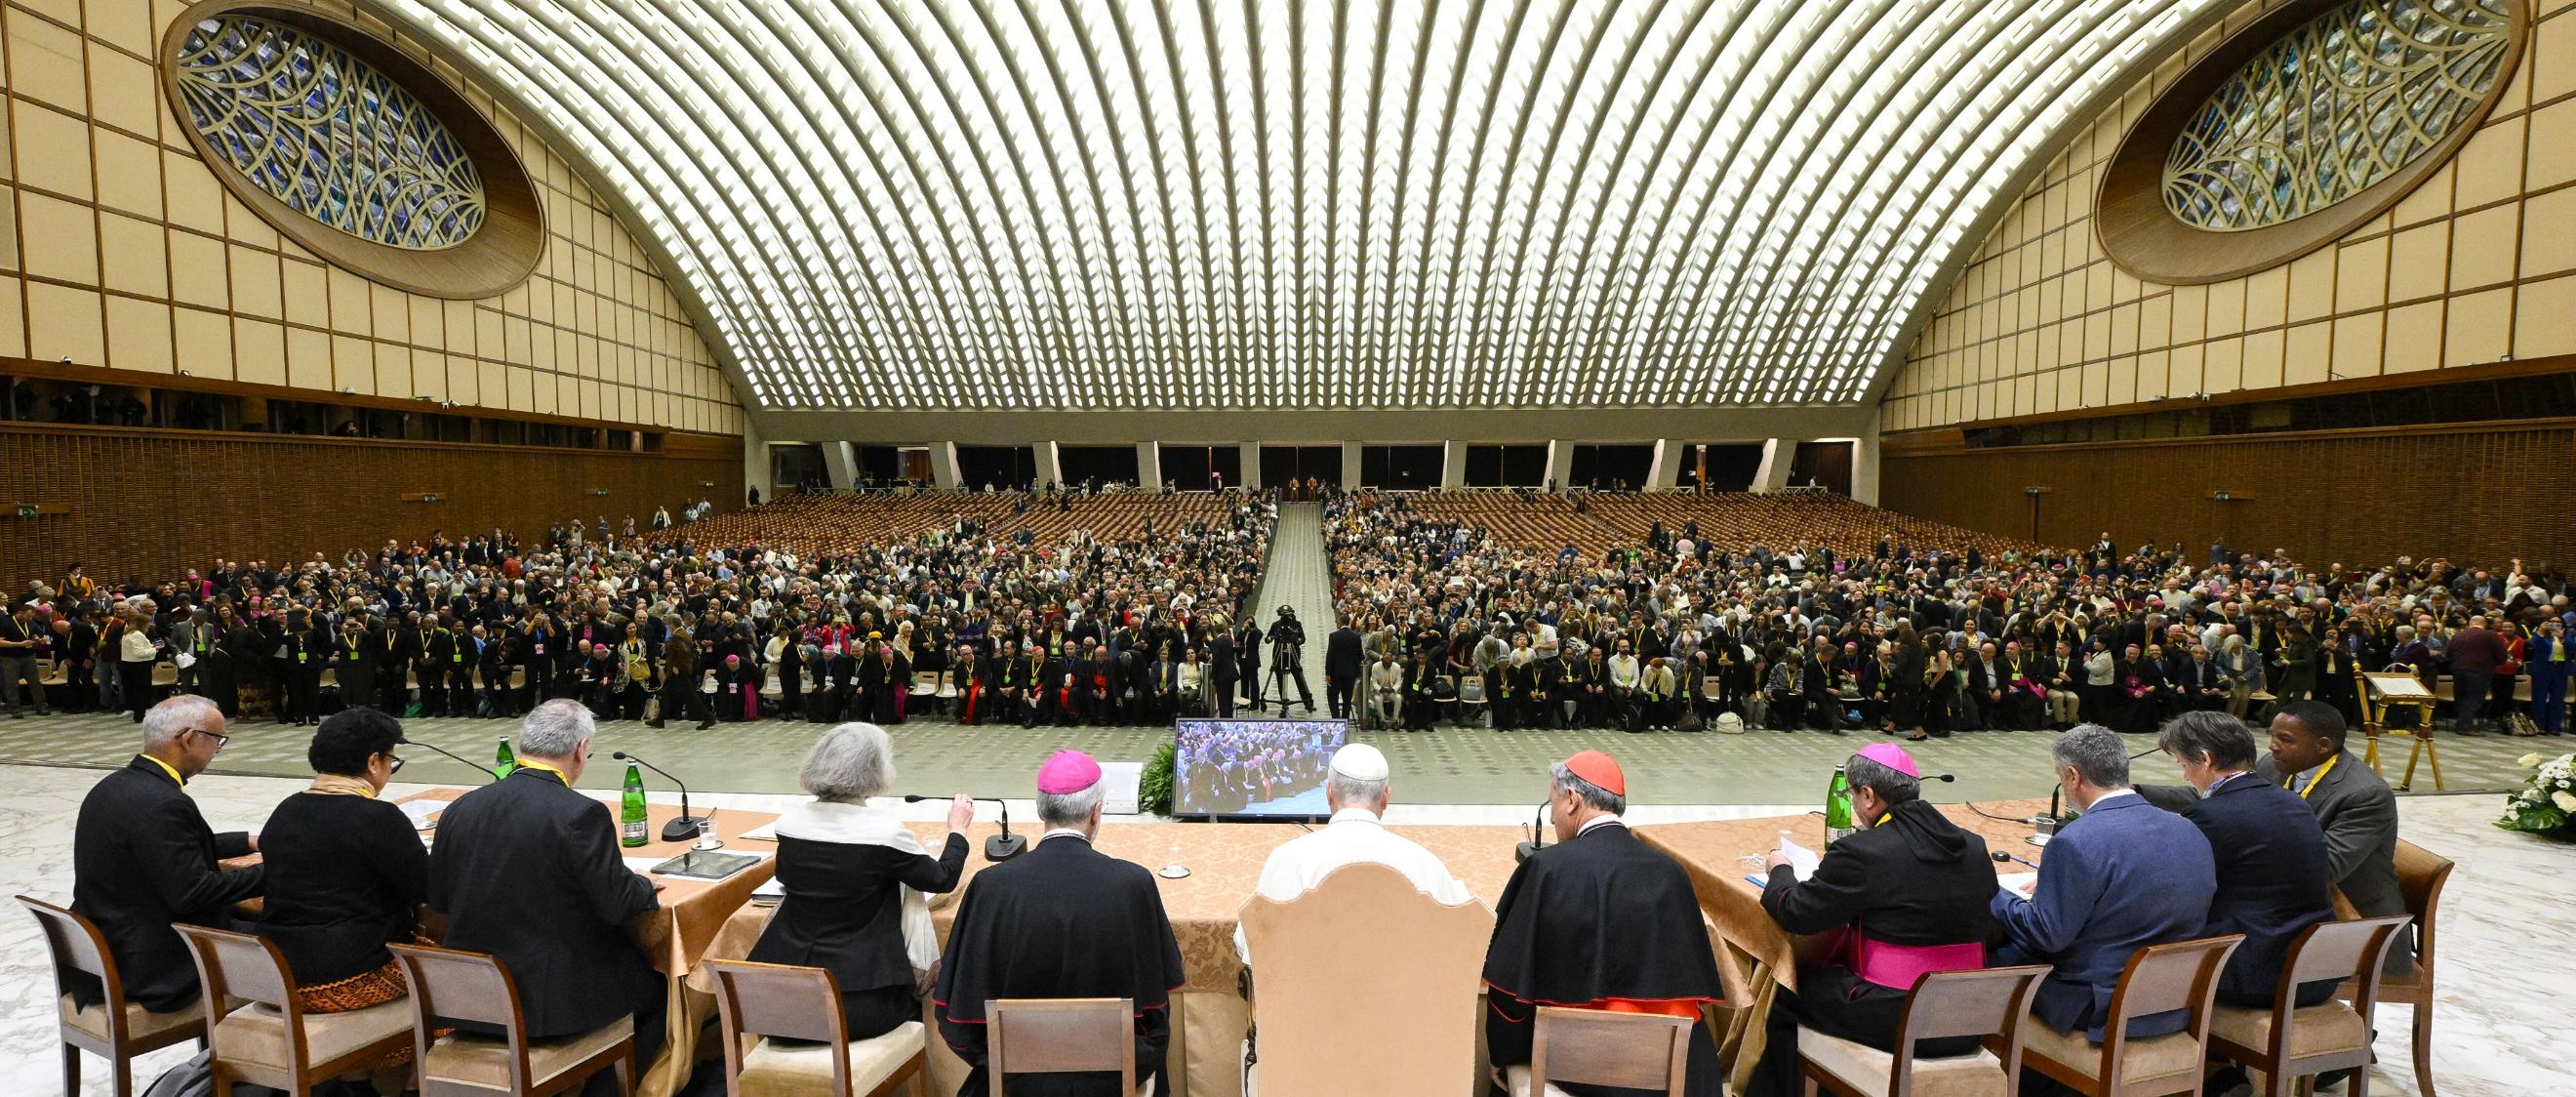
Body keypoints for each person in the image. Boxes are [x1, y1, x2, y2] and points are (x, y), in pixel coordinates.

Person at [428, 700, 664, 1096]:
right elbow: (618, 905)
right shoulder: (581, 814)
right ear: (580, 750)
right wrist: (643, 884)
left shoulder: (460, 808)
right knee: (659, 987)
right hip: (547, 1004)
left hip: (472, 998)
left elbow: (438, 900)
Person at [1744, 743, 1998, 1097]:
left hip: (1903, 1016)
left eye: (1851, 794)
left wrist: (1780, 869)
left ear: (1868, 795)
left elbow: (1796, 911)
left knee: (1787, 989)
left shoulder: (1864, 851)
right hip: (1969, 1016)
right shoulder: (1973, 844)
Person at [935, 751, 1187, 1096]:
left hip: (1016, 1085)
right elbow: (1156, 1014)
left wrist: (1012, 1063)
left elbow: (956, 1021)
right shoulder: (1133, 884)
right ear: (1096, 812)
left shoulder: (990, 887)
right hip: (1113, 1082)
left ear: (1041, 811)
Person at [1481, 751, 1725, 1097]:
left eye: (1552, 804)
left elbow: (1509, 993)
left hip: (1583, 1069)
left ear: (1571, 799)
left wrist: (1503, 1055)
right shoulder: (1671, 873)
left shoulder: (1547, 870)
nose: (1551, 817)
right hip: (1678, 1072)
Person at [1992, 725, 2214, 1049]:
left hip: (2100, 1007)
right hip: (2174, 1002)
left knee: (1987, 960)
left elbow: (2046, 934)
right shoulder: (2188, 828)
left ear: (2073, 776)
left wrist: (1993, 893)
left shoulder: (2074, 841)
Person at [750, 723, 975, 1038]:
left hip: (781, 1001)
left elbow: (785, 878)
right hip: (855, 1002)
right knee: (918, 1005)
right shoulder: (883, 833)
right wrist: (958, 830)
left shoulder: (789, 824)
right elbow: (941, 878)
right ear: (875, 772)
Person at [256, 709, 429, 1077]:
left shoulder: (286, 810)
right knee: (451, 976)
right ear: (373, 762)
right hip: (347, 979)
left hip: (277, 974)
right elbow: (428, 890)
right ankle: (405, 1080)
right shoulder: (379, 818)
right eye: (391, 761)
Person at [69, 695, 263, 1013]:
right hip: (157, 965)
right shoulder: (164, 802)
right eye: (217, 740)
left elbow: (165, 850)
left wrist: (248, 841)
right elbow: (195, 893)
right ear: (189, 739)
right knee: (298, 941)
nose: (217, 750)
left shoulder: (114, 786)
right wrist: (277, 870)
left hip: (113, 944)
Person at [1234, 744, 1468, 963]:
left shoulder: (1287, 861)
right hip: (1402, 992)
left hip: (1310, 993)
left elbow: (1250, 946)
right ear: (1386, 797)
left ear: (1328, 793)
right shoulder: (1424, 864)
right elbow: (1461, 936)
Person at [2256, 701, 2414, 973]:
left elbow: (2325, 868)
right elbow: (2233, 802)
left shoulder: (2366, 794)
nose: (2273, 746)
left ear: (2323, 746)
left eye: (2285, 739)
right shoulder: (2271, 766)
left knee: (2237, 958)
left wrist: (2245, 854)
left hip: (2355, 929)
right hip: (2292, 907)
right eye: (2272, 735)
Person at [2444, 614, 2506, 735]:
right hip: (2479, 670)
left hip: (2458, 670)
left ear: (2470, 623)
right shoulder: (2490, 635)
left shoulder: (2458, 635)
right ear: (2485, 624)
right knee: (2473, 698)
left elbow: (2449, 653)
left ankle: (2461, 723)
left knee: (2461, 698)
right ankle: (2465, 726)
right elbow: (2501, 656)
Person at [0, 600, 49, 716]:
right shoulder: (5, 622)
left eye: (31, 616)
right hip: (10, 658)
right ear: (20, 613)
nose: (30, 619)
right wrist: (19, 644)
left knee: (35, 683)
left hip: (29, 656)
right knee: (11, 684)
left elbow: (38, 634)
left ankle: (41, 706)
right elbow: (0, 642)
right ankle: (15, 709)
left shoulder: (30, 622)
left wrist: (39, 639)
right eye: (28, 616)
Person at [1324, 617, 1363, 720]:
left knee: (1332, 697)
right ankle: (1345, 719)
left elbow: (1330, 655)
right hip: (1350, 674)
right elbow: (1361, 656)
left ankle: (1336, 719)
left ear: (1340, 622)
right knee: (1347, 698)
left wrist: (1328, 673)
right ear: (1349, 622)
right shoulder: (1356, 636)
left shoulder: (1333, 636)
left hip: (1335, 673)